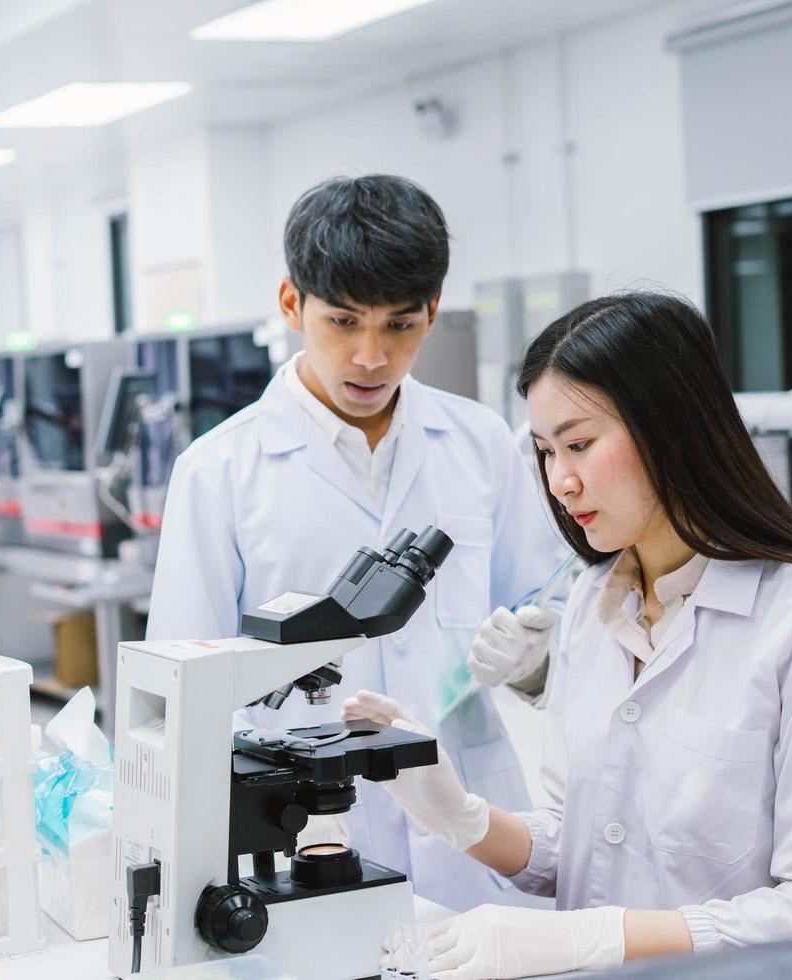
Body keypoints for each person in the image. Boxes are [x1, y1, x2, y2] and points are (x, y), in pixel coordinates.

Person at [344, 290, 792, 977]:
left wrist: (597, 938)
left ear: (673, 429)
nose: (561, 481)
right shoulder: (594, 603)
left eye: (580, 445)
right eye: (547, 452)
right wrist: (460, 815)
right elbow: (573, 841)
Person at [146, 174, 568, 911]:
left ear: (433, 311)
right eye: (343, 322)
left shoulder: (480, 444)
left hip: (472, 820)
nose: (371, 357)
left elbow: (541, 602)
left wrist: (536, 661)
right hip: (309, 820)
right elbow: (179, 680)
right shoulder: (219, 471)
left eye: (400, 325)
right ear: (291, 305)